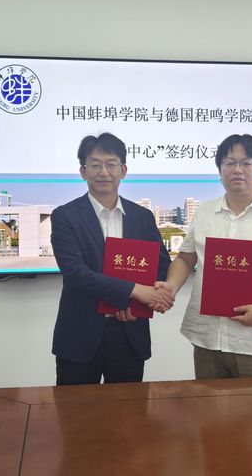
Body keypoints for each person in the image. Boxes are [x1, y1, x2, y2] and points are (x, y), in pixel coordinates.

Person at [155, 134, 252, 379]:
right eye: (229, 163)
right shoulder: (205, 211)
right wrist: (171, 287)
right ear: (220, 170)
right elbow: (186, 258)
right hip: (208, 337)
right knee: (209, 404)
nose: (237, 169)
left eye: (246, 163)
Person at [51, 132, 172, 385]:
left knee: (128, 408)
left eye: (111, 164)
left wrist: (141, 304)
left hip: (130, 331)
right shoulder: (65, 216)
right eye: (95, 165)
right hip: (80, 334)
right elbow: (75, 273)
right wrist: (135, 291)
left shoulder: (142, 217)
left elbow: (161, 266)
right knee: (74, 408)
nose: (103, 172)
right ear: (83, 171)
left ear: (123, 170)